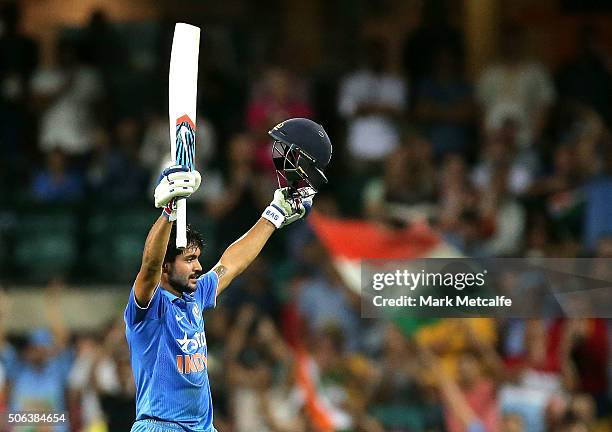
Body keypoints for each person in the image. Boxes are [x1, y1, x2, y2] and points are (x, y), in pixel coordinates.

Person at [124, 118, 332, 432]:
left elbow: (230, 263)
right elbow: (149, 267)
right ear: (167, 267)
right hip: (160, 426)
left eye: (197, 259)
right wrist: (168, 212)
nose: (197, 267)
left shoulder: (194, 295)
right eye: (189, 260)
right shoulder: (148, 309)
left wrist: (272, 217)